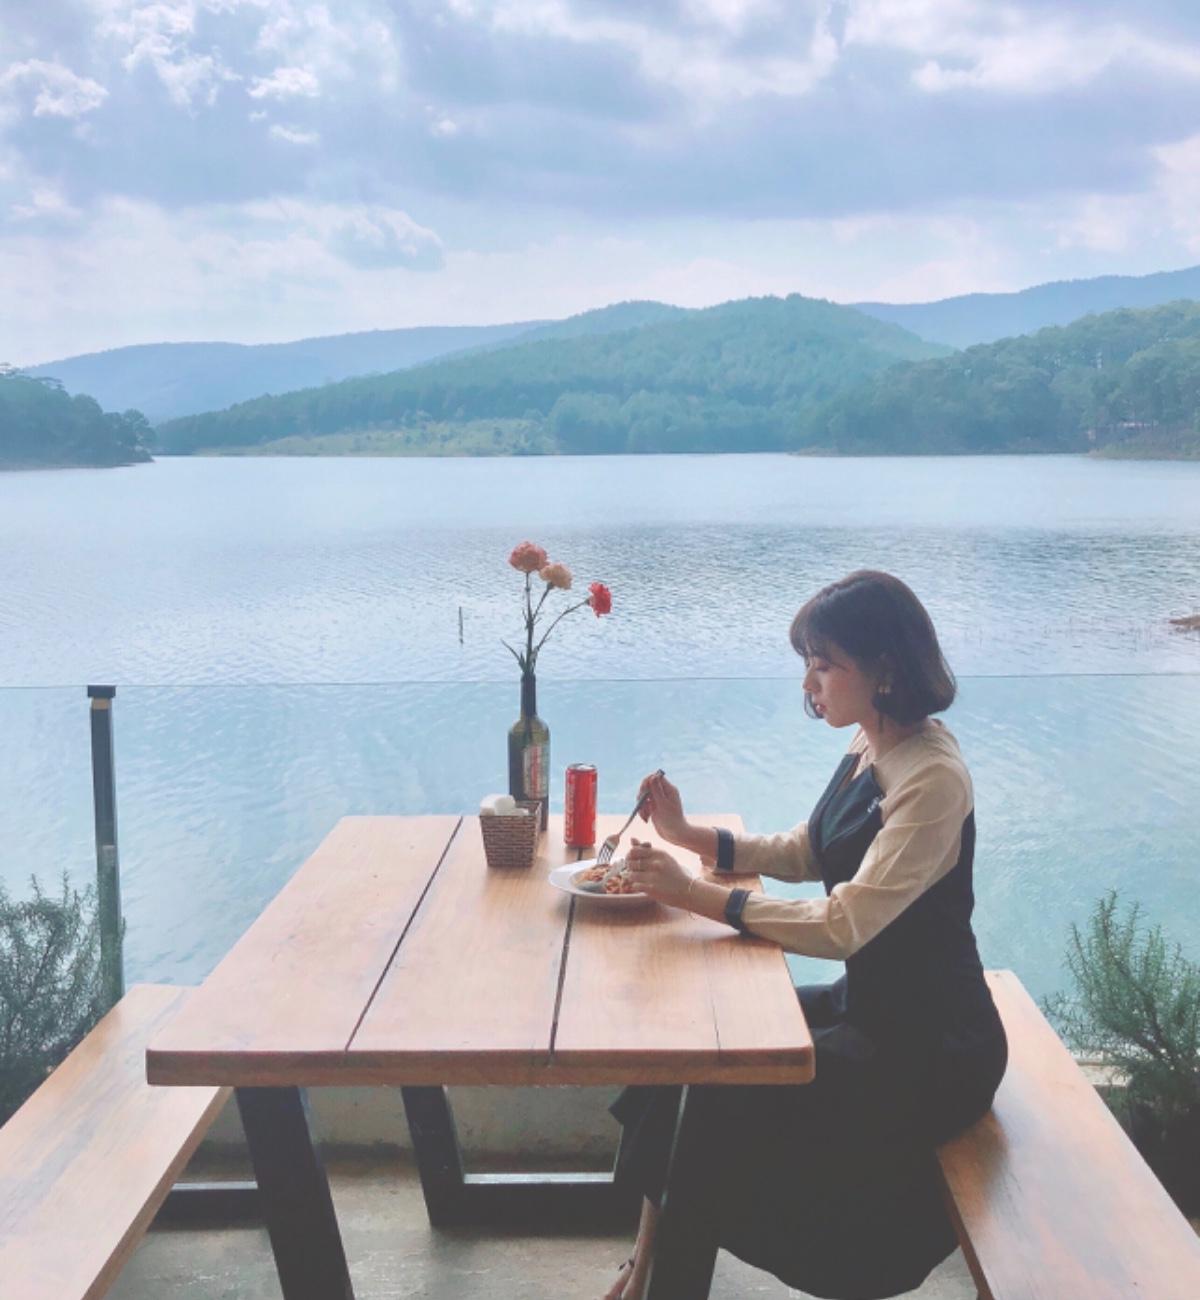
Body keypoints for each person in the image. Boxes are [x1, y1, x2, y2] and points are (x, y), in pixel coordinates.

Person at [604, 570, 1007, 1300]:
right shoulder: (871, 742)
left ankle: (663, 1281)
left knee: (718, 1098)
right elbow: (811, 848)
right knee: (694, 1046)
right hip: (870, 1004)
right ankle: (647, 1263)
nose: (809, 684)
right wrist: (690, 834)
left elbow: (843, 923)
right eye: (808, 665)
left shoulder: (932, 778)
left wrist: (694, 894)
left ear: (884, 668)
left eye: (824, 665)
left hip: (929, 1044)